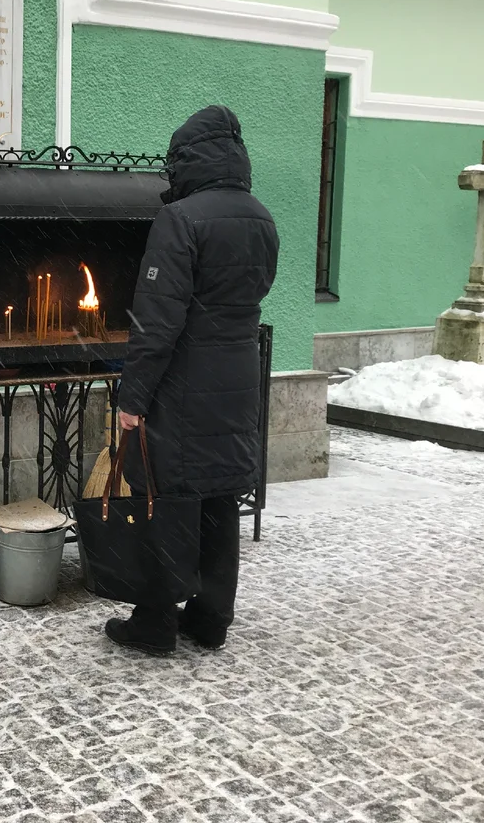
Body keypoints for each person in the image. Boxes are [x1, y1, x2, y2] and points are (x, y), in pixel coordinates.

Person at [106, 105, 279, 657]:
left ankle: (154, 622)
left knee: (167, 498)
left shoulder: (179, 219)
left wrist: (132, 397)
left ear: (188, 159)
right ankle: (210, 619)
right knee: (220, 498)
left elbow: (157, 322)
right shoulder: (261, 218)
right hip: (237, 378)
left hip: (182, 385)